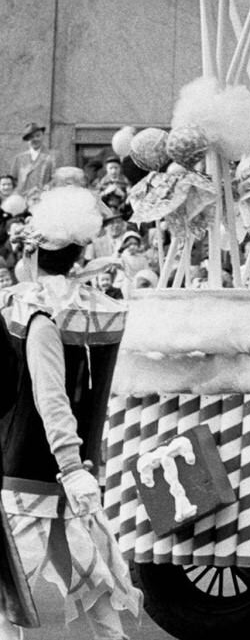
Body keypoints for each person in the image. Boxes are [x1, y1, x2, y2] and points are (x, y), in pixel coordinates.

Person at [0, 184, 140, 636]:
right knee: (91, 574)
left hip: (33, 467)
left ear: (36, 255)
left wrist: (68, 464)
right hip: (73, 467)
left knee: (10, 587)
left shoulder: (40, 315)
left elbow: (51, 396)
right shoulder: (89, 307)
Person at [7, 128, 54, 203]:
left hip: (43, 199)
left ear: (43, 136)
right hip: (22, 199)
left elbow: (57, 178)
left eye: (38, 136)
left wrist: (46, 188)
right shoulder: (19, 158)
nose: (35, 139)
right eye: (31, 137)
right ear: (27, 140)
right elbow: (12, 179)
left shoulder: (52, 156)